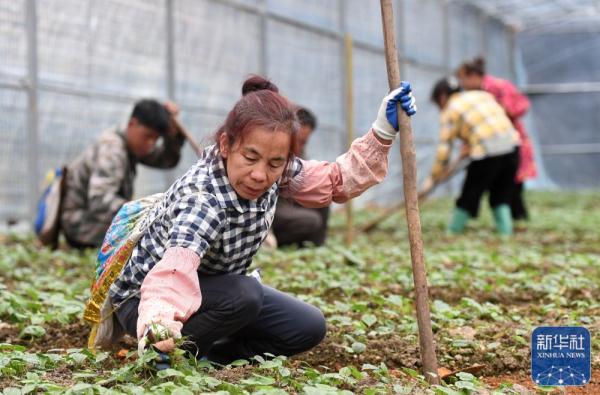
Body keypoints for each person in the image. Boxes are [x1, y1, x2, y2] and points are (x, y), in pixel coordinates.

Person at [107, 75, 417, 364]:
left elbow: (335, 181)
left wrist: (383, 130)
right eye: (250, 158)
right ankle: (169, 356)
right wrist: (158, 331)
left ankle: (214, 358)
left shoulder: (276, 173)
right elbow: (173, 274)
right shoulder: (202, 201)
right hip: (146, 300)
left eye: (275, 162)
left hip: (213, 289)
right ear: (227, 145)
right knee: (245, 295)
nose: (260, 174)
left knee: (307, 326)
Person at [60, 99, 186, 249]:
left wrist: (174, 137)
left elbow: (166, 161)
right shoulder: (113, 150)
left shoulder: (131, 145)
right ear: (132, 124)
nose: (151, 143)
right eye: (148, 136)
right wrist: (145, 212)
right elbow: (99, 201)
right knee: (150, 233)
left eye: (156, 139)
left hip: (90, 220)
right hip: (81, 226)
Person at [426, 77, 520, 236]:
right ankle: (506, 234)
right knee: (501, 194)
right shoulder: (481, 95)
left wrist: (434, 176)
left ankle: (452, 232)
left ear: (442, 97)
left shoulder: (450, 109)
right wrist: (470, 145)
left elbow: (444, 149)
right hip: (512, 146)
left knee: (470, 193)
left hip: (487, 152)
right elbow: (492, 123)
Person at [456, 57, 536, 220]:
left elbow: (521, 105)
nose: (461, 83)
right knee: (496, 185)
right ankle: (511, 220)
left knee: (511, 185)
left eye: (462, 78)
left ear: (473, 75)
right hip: (488, 146)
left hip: (507, 142)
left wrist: (503, 113)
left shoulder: (496, 87)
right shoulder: (474, 94)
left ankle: (519, 218)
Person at [272, 107, 330, 247]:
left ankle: (317, 247)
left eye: (304, 142)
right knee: (311, 220)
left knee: (324, 198)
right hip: (273, 206)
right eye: (297, 140)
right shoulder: (274, 150)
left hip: (289, 201)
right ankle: (274, 242)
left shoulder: (299, 154)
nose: (299, 146)